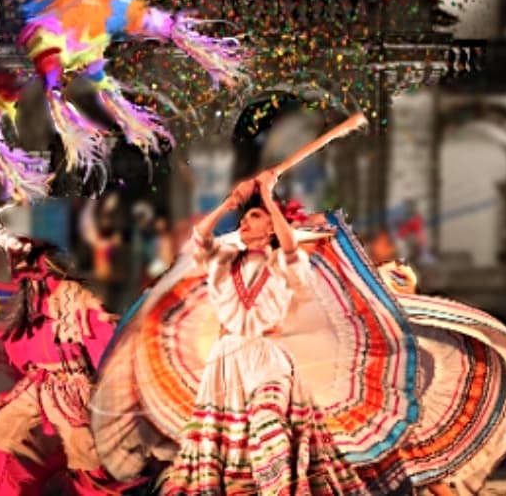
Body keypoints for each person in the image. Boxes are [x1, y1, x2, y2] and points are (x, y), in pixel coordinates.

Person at [158, 170, 378, 495]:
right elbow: (199, 239)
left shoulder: (283, 264)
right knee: (234, 450)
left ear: (272, 227)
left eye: (254, 216)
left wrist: (267, 195)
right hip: (228, 360)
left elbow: (289, 246)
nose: (243, 223)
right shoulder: (224, 260)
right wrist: (229, 203)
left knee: (269, 426)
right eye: (242, 219)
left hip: (267, 356)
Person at [0, 204, 124, 495]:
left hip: (77, 391)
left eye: (22, 249)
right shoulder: (25, 299)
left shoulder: (75, 298)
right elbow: (21, 351)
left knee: (90, 466)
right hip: (38, 388)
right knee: (1, 446)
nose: (15, 258)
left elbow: (107, 347)